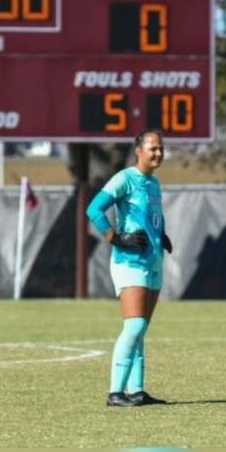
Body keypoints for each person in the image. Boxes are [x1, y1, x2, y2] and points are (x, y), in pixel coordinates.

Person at [86, 129, 173, 407]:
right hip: (129, 262)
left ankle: (136, 391)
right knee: (134, 325)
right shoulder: (124, 178)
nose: (158, 153)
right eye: (153, 149)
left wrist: (163, 235)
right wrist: (115, 237)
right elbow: (94, 209)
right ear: (139, 151)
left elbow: (151, 216)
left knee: (141, 328)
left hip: (153, 261)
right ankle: (115, 393)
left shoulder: (154, 182)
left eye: (161, 148)